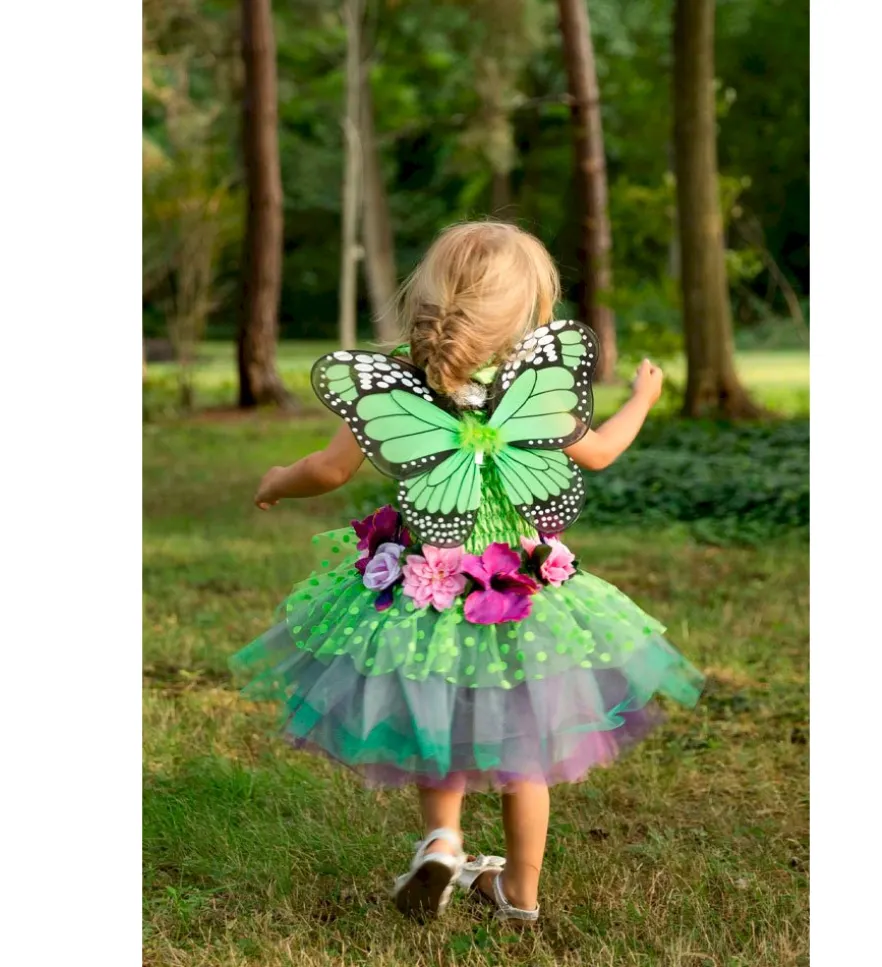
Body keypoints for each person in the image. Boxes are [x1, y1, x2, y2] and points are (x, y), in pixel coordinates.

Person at [232, 221, 704, 924]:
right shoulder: (531, 384)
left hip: (427, 582)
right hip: (518, 589)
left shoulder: (399, 373)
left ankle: (444, 841)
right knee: (526, 749)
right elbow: (601, 453)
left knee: (438, 715)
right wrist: (642, 396)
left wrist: (277, 478)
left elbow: (329, 470)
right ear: (531, 304)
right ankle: (520, 893)